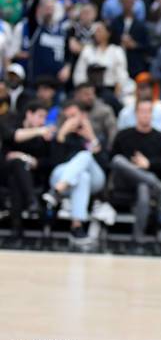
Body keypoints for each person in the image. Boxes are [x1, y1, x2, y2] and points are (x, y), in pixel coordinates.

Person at [109, 97, 161, 244]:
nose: (145, 115)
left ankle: (138, 235)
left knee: (143, 186)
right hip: (124, 181)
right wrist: (132, 167)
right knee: (119, 160)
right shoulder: (123, 135)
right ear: (136, 113)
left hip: (146, 185)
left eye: (148, 111)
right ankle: (158, 185)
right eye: (142, 111)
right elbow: (112, 160)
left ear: (152, 114)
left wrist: (148, 164)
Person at [44, 100, 107, 245]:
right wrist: (61, 135)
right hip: (63, 175)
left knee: (85, 156)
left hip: (95, 180)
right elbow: (53, 164)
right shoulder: (58, 135)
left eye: (74, 116)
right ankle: (77, 228)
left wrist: (91, 138)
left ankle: (56, 192)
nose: (71, 121)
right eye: (68, 117)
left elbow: (105, 165)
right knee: (81, 176)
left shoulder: (97, 135)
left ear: (83, 116)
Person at [4, 100, 54, 238]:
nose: (42, 121)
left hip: (31, 175)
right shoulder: (12, 123)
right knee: (17, 164)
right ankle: (32, 201)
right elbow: (12, 137)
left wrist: (29, 159)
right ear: (29, 114)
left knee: (17, 178)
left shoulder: (44, 137)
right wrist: (39, 131)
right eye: (40, 116)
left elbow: (48, 161)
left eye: (45, 117)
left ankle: (17, 227)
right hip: (5, 171)